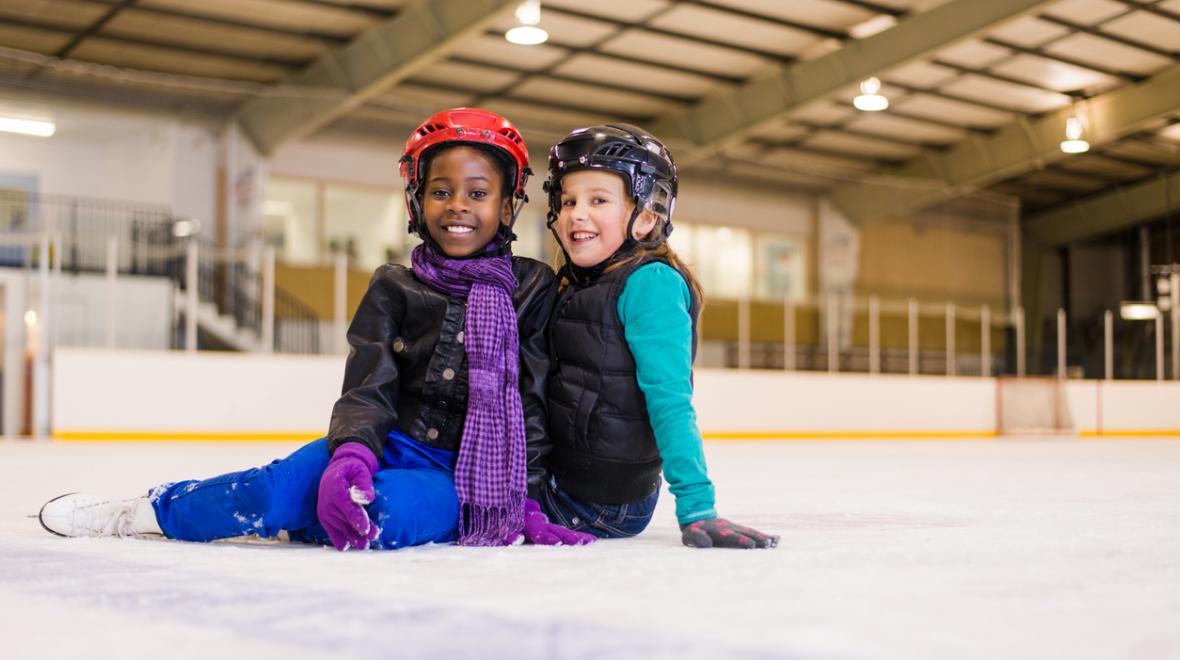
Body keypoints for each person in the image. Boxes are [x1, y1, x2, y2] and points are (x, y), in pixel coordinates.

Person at [38, 108, 595, 550]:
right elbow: (368, 384)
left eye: (478, 193)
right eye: (441, 191)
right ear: (416, 200)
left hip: (462, 474)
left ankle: (302, 520)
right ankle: (145, 512)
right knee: (273, 489)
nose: (457, 206)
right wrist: (352, 455)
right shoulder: (393, 285)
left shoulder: (531, 288)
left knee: (383, 514)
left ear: (507, 206)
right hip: (384, 443)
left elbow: (532, 400)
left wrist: (525, 501)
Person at [539, 123, 778, 549]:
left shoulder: (651, 284)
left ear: (647, 216)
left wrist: (698, 508)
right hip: (567, 478)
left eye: (598, 200)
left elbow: (670, 399)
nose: (577, 213)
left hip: (598, 502)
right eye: (569, 200)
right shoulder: (576, 284)